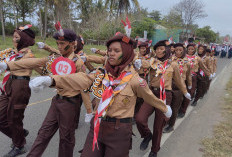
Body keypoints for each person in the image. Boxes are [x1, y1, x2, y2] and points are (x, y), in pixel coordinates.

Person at [26, 33, 172, 157]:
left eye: (116, 50)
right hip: (97, 127)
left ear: (126, 53)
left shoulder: (135, 80)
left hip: (119, 132)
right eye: (109, 50)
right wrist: (51, 80)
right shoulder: (102, 73)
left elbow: (149, 97)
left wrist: (164, 108)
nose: (111, 53)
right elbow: (82, 78)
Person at [1, 29, 89, 157]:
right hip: (57, 100)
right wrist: (8, 66)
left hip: (70, 103)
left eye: (62, 43)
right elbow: (35, 61)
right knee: (43, 133)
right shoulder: (57, 58)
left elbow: (83, 85)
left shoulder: (78, 62)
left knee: (66, 138)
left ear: (72, 44)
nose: (59, 46)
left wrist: (89, 110)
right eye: (58, 43)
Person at [135, 40, 191, 157]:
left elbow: (179, 81)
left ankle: (154, 150)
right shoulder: (152, 62)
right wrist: (137, 61)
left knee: (158, 126)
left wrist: (185, 92)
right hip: (152, 95)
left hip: (165, 96)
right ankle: (146, 135)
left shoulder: (173, 64)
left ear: (166, 50)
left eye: (161, 49)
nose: (159, 51)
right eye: (157, 49)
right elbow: (142, 63)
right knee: (140, 118)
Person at [0, 25, 36, 157]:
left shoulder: (29, 56)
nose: (13, 39)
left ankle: (19, 146)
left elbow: (19, 65)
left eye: (16, 37)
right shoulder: (13, 52)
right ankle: (19, 134)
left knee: (14, 118)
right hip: (8, 86)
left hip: (20, 87)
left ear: (24, 40)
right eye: (13, 36)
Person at [163, 43, 192, 133]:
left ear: (184, 51)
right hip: (169, 85)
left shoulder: (187, 62)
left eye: (180, 50)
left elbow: (188, 75)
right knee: (166, 106)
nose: (178, 52)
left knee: (175, 107)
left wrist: (189, 86)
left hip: (179, 87)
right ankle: (165, 122)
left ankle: (171, 125)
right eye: (176, 50)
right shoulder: (170, 59)